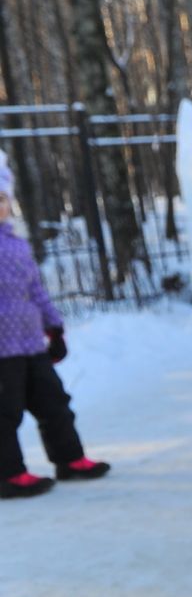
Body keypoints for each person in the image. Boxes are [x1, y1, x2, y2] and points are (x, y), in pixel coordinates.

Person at [0, 158, 110, 499]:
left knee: (54, 404)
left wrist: (55, 328)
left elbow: (36, 291)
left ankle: (69, 460)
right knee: (5, 414)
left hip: (32, 343)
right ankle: (8, 474)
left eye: (1, 197)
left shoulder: (17, 244)